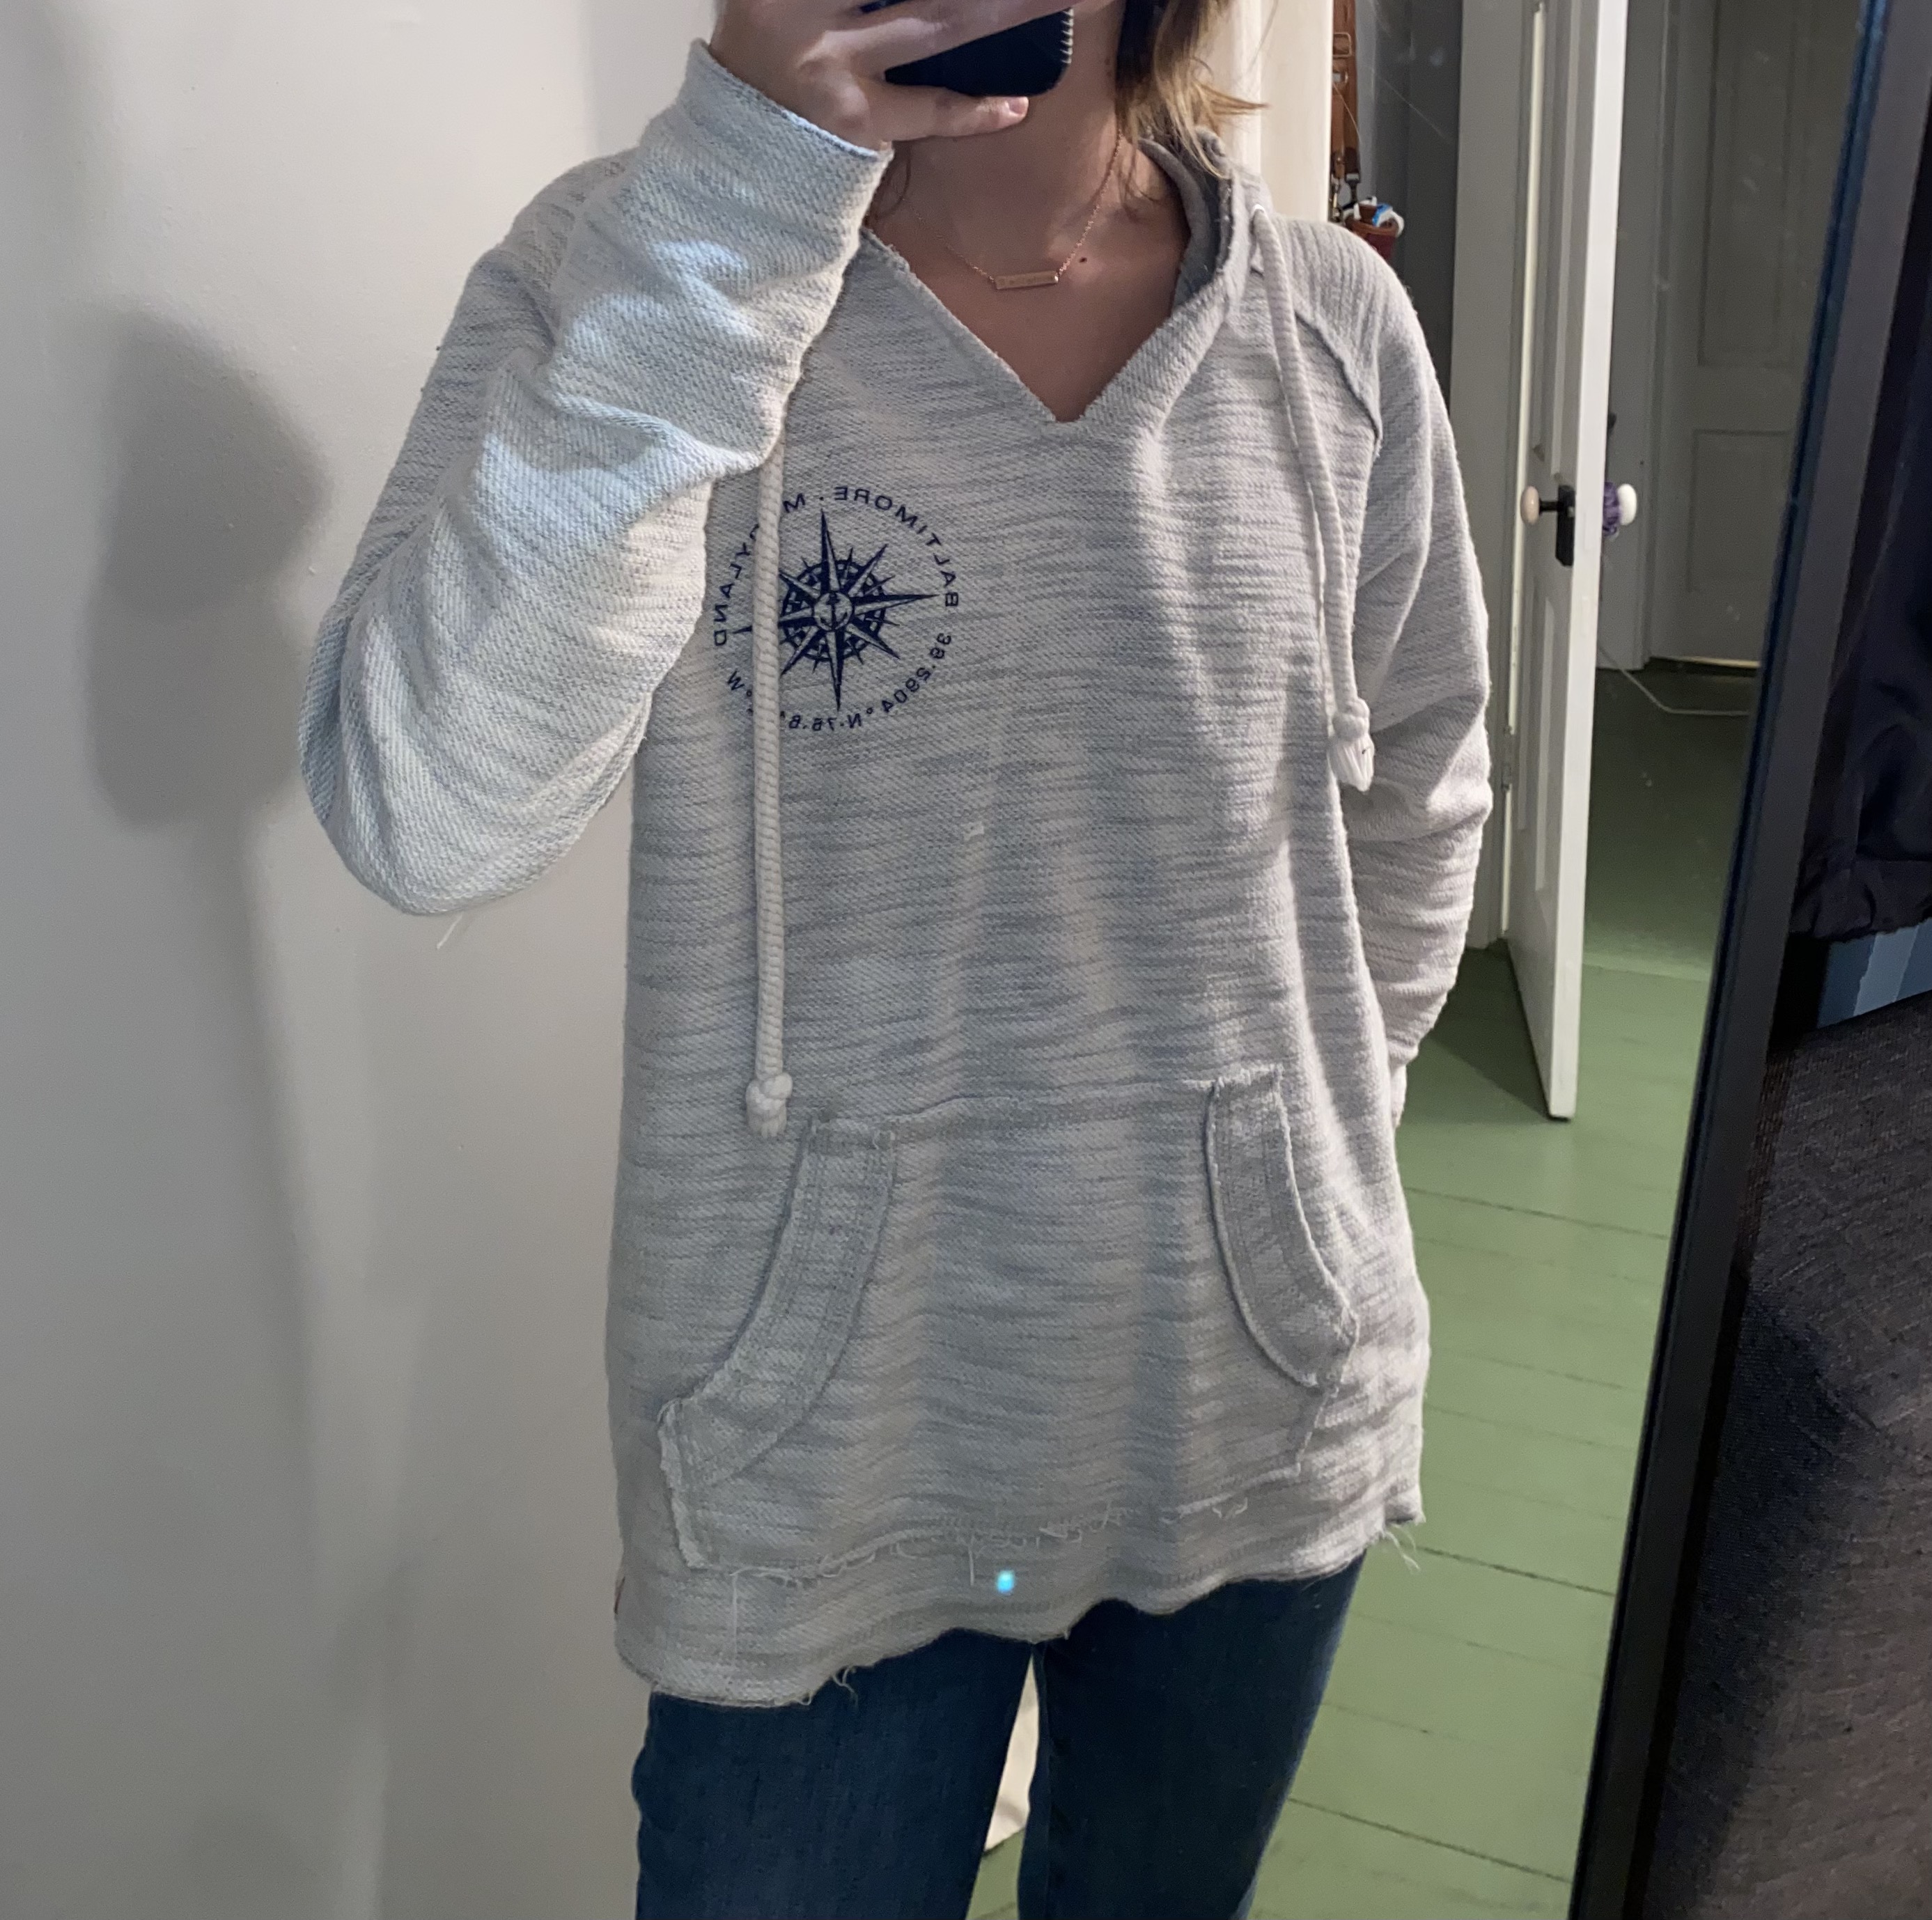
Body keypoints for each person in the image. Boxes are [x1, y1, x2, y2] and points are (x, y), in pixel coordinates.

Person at [299, 0, 1491, 1912]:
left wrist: (1294, 1176)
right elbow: (421, 812)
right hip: (822, 1467)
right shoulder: (630, 272)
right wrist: (740, 195)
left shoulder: (1334, 328)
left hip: (1252, 1400)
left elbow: (1420, 776)